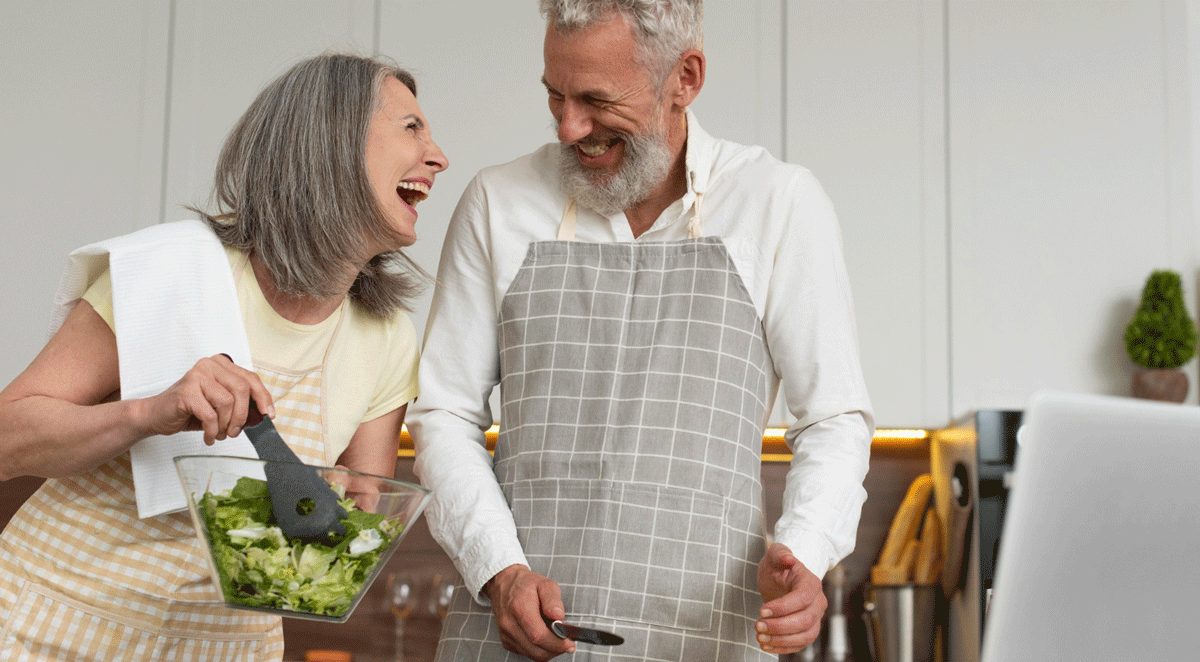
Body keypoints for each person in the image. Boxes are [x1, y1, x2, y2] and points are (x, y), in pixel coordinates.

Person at [408, 1, 873, 660]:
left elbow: (832, 417)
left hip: (701, 635)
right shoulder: (498, 202)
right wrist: (500, 570)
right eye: (555, 96)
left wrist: (806, 549)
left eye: (597, 100)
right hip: (511, 635)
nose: (570, 127)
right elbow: (444, 412)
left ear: (684, 78)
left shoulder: (777, 205)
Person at [0, 53, 448, 660]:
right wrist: (147, 414)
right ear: (332, 139)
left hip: (222, 648)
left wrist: (342, 517)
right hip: (54, 625)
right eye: (412, 128)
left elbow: (353, 513)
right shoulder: (166, 271)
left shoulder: (388, 336)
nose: (438, 156)